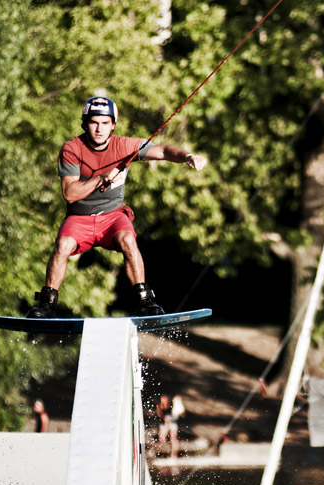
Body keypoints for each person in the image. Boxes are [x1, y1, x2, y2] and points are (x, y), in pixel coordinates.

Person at [27, 96, 208, 319]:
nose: (99, 129)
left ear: (113, 124)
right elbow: (69, 193)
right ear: (85, 123)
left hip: (112, 216)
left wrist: (187, 156)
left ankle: (144, 301)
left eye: (105, 123)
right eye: (94, 122)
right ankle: (46, 305)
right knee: (63, 244)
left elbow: (163, 151)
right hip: (80, 217)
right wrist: (100, 178)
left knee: (128, 239)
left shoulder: (125, 146)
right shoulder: (72, 149)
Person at [157, 393, 185, 457]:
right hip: (165, 422)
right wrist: (164, 418)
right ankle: (166, 452)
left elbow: (181, 414)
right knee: (161, 438)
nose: (163, 401)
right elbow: (159, 415)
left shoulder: (172, 405)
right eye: (162, 399)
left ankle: (173, 454)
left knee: (173, 438)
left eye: (164, 399)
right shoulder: (159, 406)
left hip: (172, 422)